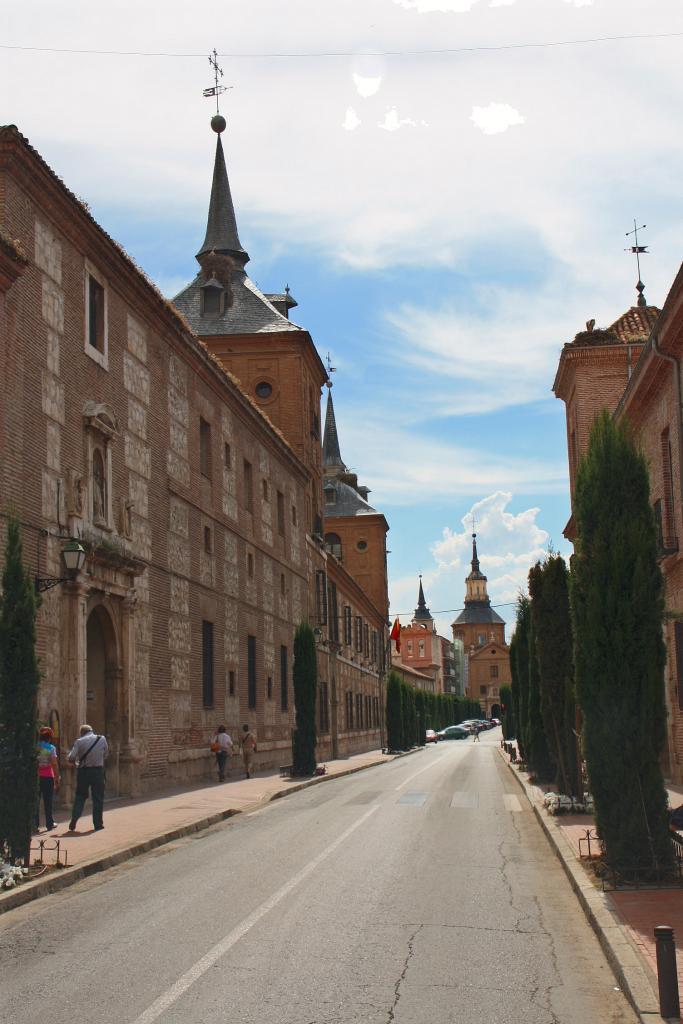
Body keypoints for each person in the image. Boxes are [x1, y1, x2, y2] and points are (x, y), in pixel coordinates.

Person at [67, 724, 109, 832]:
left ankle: (74, 820)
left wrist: (77, 763)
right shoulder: (102, 739)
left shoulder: (79, 741)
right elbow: (106, 754)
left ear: (82, 732)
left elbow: (71, 757)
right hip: (98, 771)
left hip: (84, 772)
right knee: (98, 798)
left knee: (80, 797)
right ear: (91, 730)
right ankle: (98, 824)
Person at [36, 726, 60, 831]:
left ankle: (34, 824)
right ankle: (49, 823)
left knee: (36, 801)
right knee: (48, 801)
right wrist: (57, 777)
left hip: (36, 777)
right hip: (48, 776)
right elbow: (54, 764)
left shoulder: (35, 747)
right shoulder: (51, 748)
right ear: (49, 737)